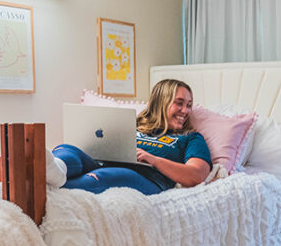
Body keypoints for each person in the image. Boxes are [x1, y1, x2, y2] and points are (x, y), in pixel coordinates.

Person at [54, 79, 211, 195]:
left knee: (102, 177)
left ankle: (48, 191)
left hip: (148, 178)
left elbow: (197, 175)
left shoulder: (191, 138)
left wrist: (153, 160)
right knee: (67, 150)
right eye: (179, 103)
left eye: (189, 105)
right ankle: (51, 170)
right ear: (161, 102)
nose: (185, 111)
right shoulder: (132, 123)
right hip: (103, 163)